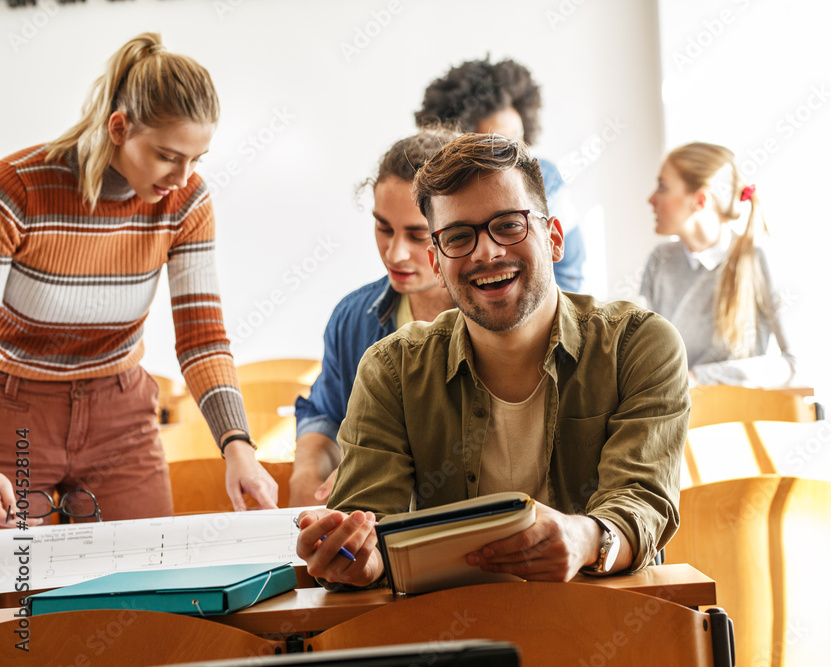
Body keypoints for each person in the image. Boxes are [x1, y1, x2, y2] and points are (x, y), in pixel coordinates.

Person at [295, 134, 689, 588]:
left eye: (508, 225)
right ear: (438, 263)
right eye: (459, 236)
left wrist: (586, 539)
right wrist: (357, 561)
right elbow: (365, 521)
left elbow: (642, 501)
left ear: (554, 238)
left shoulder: (639, 346)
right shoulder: (391, 369)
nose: (487, 252)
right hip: (452, 638)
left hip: (608, 623)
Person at [0, 33, 277, 527]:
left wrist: (238, 446)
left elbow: (202, 338)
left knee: (139, 589)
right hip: (16, 415)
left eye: (197, 159)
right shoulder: (20, 186)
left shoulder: (187, 200)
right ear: (119, 127)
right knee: (17, 597)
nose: (183, 175)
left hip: (120, 416)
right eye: (168, 155)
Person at [289, 128, 458, 507]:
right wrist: (307, 472)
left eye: (417, 235)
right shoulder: (353, 318)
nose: (394, 253)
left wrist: (370, 467)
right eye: (383, 228)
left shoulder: (495, 317)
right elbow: (327, 415)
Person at [415, 57, 587, 292]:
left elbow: (570, 274)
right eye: (496, 148)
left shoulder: (548, 181)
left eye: (518, 139)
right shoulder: (435, 196)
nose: (513, 156)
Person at [641, 142, 796, 388]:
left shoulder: (756, 259)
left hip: (732, 420)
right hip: (673, 418)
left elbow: (791, 365)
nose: (651, 199)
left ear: (699, 200)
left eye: (662, 187)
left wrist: (696, 379)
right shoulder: (660, 260)